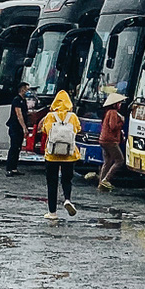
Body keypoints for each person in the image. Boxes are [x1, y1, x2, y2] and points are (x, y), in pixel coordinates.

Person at [36, 91, 82, 220]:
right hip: (69, 154)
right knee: (67, 179)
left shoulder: (50, 116)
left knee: (52, 182)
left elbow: (46, 130)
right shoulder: (72, 117)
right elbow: (77, 129)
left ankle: (52, 213)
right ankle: (67, 199)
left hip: (52, 154)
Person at [95, 96, 127, 191]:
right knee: (119, 160)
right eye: (119, 103)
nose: (120, 105)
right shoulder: (113, 113)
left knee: (107, 162)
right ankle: (106, 180)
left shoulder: (108, 112)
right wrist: (122, 121)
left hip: (103, 140)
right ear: (115, 104)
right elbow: (113, 126)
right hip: (111, 141)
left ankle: (101, 183)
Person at [6, 83, 32, 175]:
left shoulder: (23, 100)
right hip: (15, 127)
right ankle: (9, 168)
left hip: (19, 127)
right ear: (22, 89)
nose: (28, 91)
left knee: (18, 148)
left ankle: (14, 168)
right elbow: (19, 114)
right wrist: (24, 127)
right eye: (27, 89)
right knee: (13, 147)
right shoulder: (17, 100)